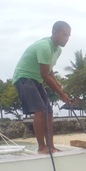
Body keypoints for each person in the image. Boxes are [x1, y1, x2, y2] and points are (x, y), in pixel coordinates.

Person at [12, 21, 72, 154]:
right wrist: (61, 94)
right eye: (64, 35)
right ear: (54, 33)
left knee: (49, 112)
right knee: (40, 110)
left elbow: (50, 71)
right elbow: (45, 75)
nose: (66, 38)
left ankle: (51, 146)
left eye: (68, 36)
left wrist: (58, 86)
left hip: (36, 79)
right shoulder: (45, 46)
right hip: (23, 77)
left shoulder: (58, 50)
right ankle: (42, 147)